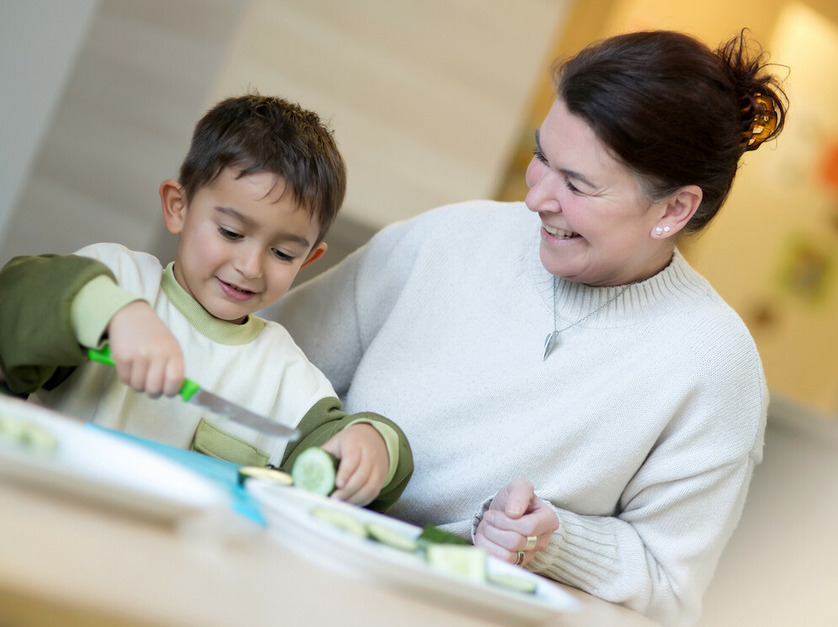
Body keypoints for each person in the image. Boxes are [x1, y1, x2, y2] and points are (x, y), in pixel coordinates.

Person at [0, 30, 783, 624]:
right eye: (541, 157)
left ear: (675, 209)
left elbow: (673, 586)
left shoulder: (711, 364)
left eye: (577, 184)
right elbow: (257, 368)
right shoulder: (452, 238)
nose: (537, 195)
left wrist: (556, 538)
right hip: (292, 576)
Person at [0, 94, 412, 510]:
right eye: (231, 233)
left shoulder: (285, 374)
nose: (251, 266)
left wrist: (375, 442)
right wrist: (113, 314)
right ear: (178, 207)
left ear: (308, 260)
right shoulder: (115, 279)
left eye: (284, 254)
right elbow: (19, 297)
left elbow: (326, 443)